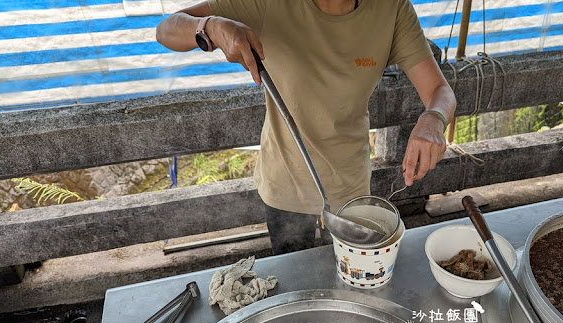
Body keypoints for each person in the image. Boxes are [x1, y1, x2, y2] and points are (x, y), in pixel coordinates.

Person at [156, 0, 456, 254]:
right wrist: (211, 26)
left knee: (351, 288)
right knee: (296, 286)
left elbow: (440, 91)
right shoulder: (269, 4)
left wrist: (433, 119)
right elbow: (166, 29)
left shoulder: (391, 9)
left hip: (349, 186)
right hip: (286, 184)